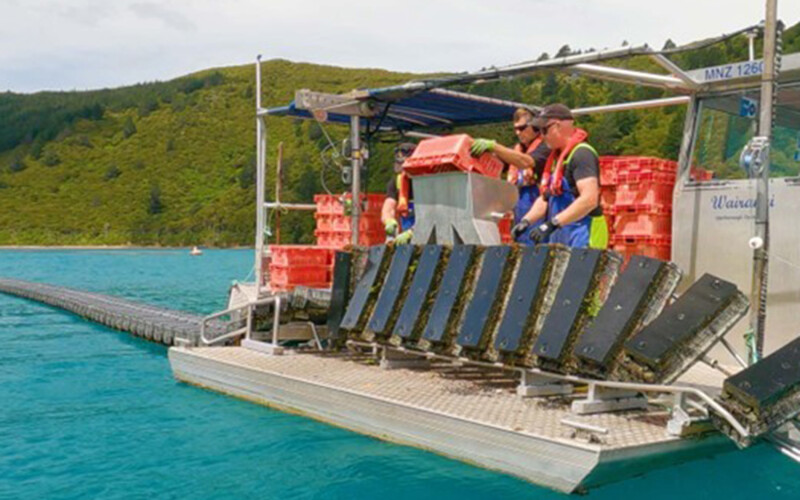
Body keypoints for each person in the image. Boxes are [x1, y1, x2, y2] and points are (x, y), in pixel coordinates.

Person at [513, 103, 608, 249]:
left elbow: (589, 199)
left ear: (557, 126)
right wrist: (525, 221)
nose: (542, 136)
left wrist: (552, 224)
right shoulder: (556, 160)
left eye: (544, 130)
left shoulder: (582, 154)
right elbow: (545, 198)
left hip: (585, 237)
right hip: (563, 236)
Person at [470, 108, 550, 245]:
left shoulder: (545, 148)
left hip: (541, 208)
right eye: (516, 129)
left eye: (522, 128)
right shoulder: (516, 150)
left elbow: (525, 161)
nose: (518, 133)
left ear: (536, 126)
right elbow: (499, 164)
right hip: (520, 209)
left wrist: (494, 146)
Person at [381, 142, 417, 244]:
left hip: (430, 239)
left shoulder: (426, 182)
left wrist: (413, 232)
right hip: (407, 237)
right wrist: (389, 221)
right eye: (399, 164)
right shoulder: (396, 182)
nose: (403, 169)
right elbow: (388, 207)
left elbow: (432, 216)